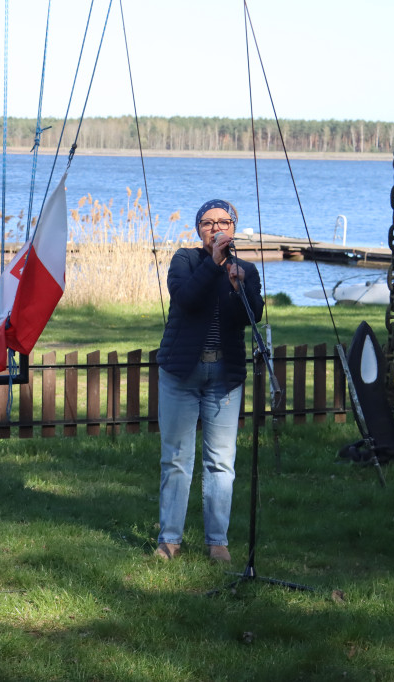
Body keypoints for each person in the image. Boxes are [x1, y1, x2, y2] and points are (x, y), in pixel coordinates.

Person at [154, 198, 264, 563]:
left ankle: (218, 542)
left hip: (224, 376)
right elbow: (185, 299)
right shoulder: (185, 260)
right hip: (181, 373)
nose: (216, 229)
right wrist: (214, 265)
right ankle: (169, 540)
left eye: (223, 222)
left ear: (234, 228)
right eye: (207, 223)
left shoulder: (245, 268)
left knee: (221, 463)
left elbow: (249, 316)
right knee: (176, 460)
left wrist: (238, 287)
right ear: (198, 229)